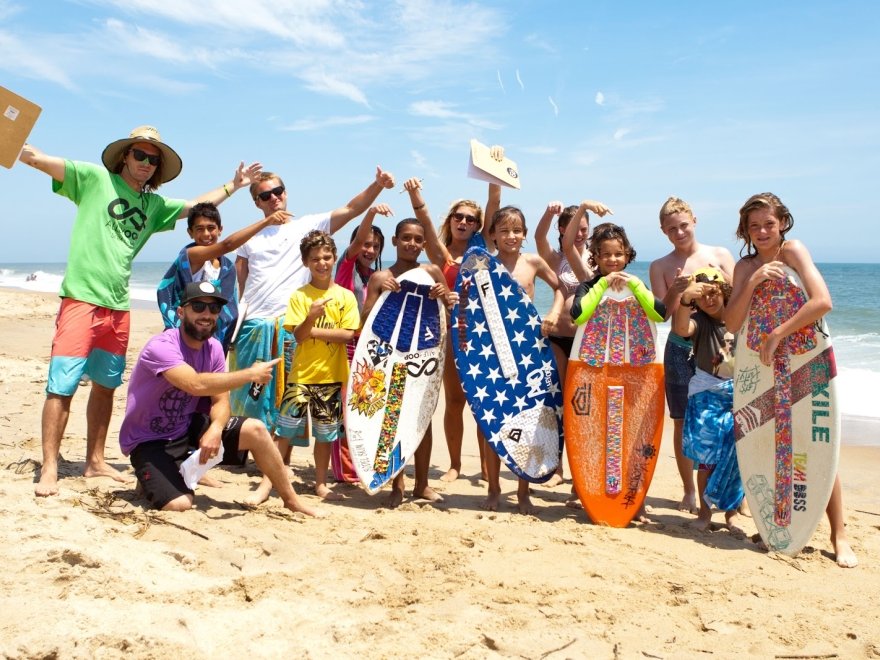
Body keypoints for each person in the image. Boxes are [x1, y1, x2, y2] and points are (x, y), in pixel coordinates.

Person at [18, 125, 261, 497]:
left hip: (118, 305)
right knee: (61, 385)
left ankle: (95, 461)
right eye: (140, 155)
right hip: (80, 299)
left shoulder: (153, 206)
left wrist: (234, 185)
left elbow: (194, 206)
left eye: (153, 159)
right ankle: (50, 465)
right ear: (125, 157)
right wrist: (13, 134)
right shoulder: (93, 178)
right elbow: (34, 158)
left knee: (106, 386)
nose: (146, 162)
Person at [724, 192, 857, 568]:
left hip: (804, 360)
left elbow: (822, 301)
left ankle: (839, 534)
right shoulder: (745, 266)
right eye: (754, 226)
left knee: (817, 444)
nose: (763, 231)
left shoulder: (794, 251)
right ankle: (779, 522)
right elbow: (732, 324)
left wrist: (778, 332)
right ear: (745, 231)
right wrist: (752, 282)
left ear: (782, 222)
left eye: (769, 223)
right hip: (762, 367)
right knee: (768, 441)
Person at [229, 168, 395, 468]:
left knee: (285, 399)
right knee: (250, 394)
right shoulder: (250, 237)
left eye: (277, 191)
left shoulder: (306, 227)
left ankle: (280, 461)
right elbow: (239, 287)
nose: (274, 198)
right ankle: (248, 453)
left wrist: (377, 185)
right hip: (254, 324)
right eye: (265, 195)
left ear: (286, 192)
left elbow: (351, 209)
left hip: (292, 324)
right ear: (256, 202)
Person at [118, 281, 320, 517]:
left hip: (186, 427)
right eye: (199, 307)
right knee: (180, 504)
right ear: (181, 312)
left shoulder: (213, 348)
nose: (207, 314)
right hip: (150, 438)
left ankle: (291, 500)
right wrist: (250, 375)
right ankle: (158, 475)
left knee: (256, 429)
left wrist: (215, 428)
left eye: (214, 309)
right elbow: (194, 384)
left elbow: (221, 401)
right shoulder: (162, 346)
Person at [249, 230, 360, 503]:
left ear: (334, 258)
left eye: (326, 257)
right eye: (315, 259)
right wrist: (311, 317)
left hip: (332, 377)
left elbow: (348, 334)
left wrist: (314, 330)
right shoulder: (300, 296)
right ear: (305, 262)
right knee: (283, 432)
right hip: (301, 377)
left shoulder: (346, 296)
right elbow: (297, 336)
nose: (321, 263)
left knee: (325, 436)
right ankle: (268, 483)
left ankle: (321, 482)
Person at [570, 222, 666, 522]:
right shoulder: (588, 286)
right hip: (592, 368)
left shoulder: (636, 285)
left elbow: (659, 313)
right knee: (596, 432)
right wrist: (601, 284)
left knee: (634, 433)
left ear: (627, 255)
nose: (612, 260)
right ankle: (595, 494)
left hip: (638, 370)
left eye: (618, 254)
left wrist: (634, 285)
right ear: (595, 257)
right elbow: (579, 315)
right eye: (606, 255)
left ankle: (632, 500)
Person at [403, 177, 494, 482]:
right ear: (452, 221)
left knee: (483, 401)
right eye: (459, 216)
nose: (464, 222)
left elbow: (493, 203)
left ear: (478, 225)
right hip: (451, 334)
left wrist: (494, 177)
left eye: (471, 218)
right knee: (455, 401)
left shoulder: (484, 249)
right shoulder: (441, 256)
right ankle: (455, 465)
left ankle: (485, 466)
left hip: (482, 335)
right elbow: (426, 223)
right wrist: (416, 195)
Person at [648, 197, 735, 514]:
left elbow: (738, 300)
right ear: (663, 231)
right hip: (680, 349)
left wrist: (721, 279)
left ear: (694, 221)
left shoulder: (720, 254)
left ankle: (727, 491)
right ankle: (688, 491)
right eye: (672, 229)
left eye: (683, 225)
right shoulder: (660, 266)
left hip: (721, 346)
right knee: (683, 420)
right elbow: (660, 313)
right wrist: (678, 290)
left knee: (727, 419)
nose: (679, 232)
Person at [361, 217, 453, 507]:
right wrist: (383, 294)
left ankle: (422, 484)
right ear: (395, 241)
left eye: (417, 239)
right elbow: (365, 323)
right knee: (392, 420)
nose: (411, 243)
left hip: (423, 359)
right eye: (406, 238)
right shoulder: (380, 278)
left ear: (424, 244)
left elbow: (446, 318)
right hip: (390, 359)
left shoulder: (432, 271)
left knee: (421, 420)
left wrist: (444, 297)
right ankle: (397, 484)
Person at [479, 205, 564, 514]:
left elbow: (560, 290)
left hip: (529, 349)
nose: (511, 236)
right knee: (493, 418)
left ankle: (523, 491)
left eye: (517, 231)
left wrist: (553, 312)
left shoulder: (533, 261)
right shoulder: (484, 267)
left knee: (529, 419)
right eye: (504, 231)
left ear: (525, 235)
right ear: (493, 236)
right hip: (494, 349)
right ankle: (493, 488)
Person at [537, 199, 613, 487]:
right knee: (558, 403)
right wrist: (549, 212)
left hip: (586, 341)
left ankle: (581, 467)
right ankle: (556, 468)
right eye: (574, 228)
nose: (580, 233)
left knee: (581, 406)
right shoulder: (556, 258)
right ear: (563, 228)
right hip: (558, 336)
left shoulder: (594, 259)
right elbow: (538, 237)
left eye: (584, 228)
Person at [157, 202, 291, 353]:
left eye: (211, 228)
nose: (206, 234)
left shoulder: (226, 266)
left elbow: (229, 307)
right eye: (199, 229)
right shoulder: (191, 256)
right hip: (186, 335)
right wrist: (266, 222)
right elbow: (227, 245)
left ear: (220, 230)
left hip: (214, 337)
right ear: (190, 232)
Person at [672, 268, 744, 533]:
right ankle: (704, 513)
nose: (709, 300)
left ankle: (731, 515)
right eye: (702, 297)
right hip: (707, 395)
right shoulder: (698, 321)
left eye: (713, 293)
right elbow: (681, 328)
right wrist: (685, 299)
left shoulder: (741, 318)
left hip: (740, 393)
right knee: (707, 459)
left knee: (735, 458)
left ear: (724, 292)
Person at [331, 204, 390, 483]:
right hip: (344, 348)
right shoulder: (345, 269)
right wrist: (372, 214)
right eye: (366, 244)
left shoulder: (378, 278)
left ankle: (362, 464)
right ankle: (344, 470)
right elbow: (355, 245)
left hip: (370, 352)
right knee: (345, 411)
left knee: (365, 409)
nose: (370, 250)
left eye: (376, 246)